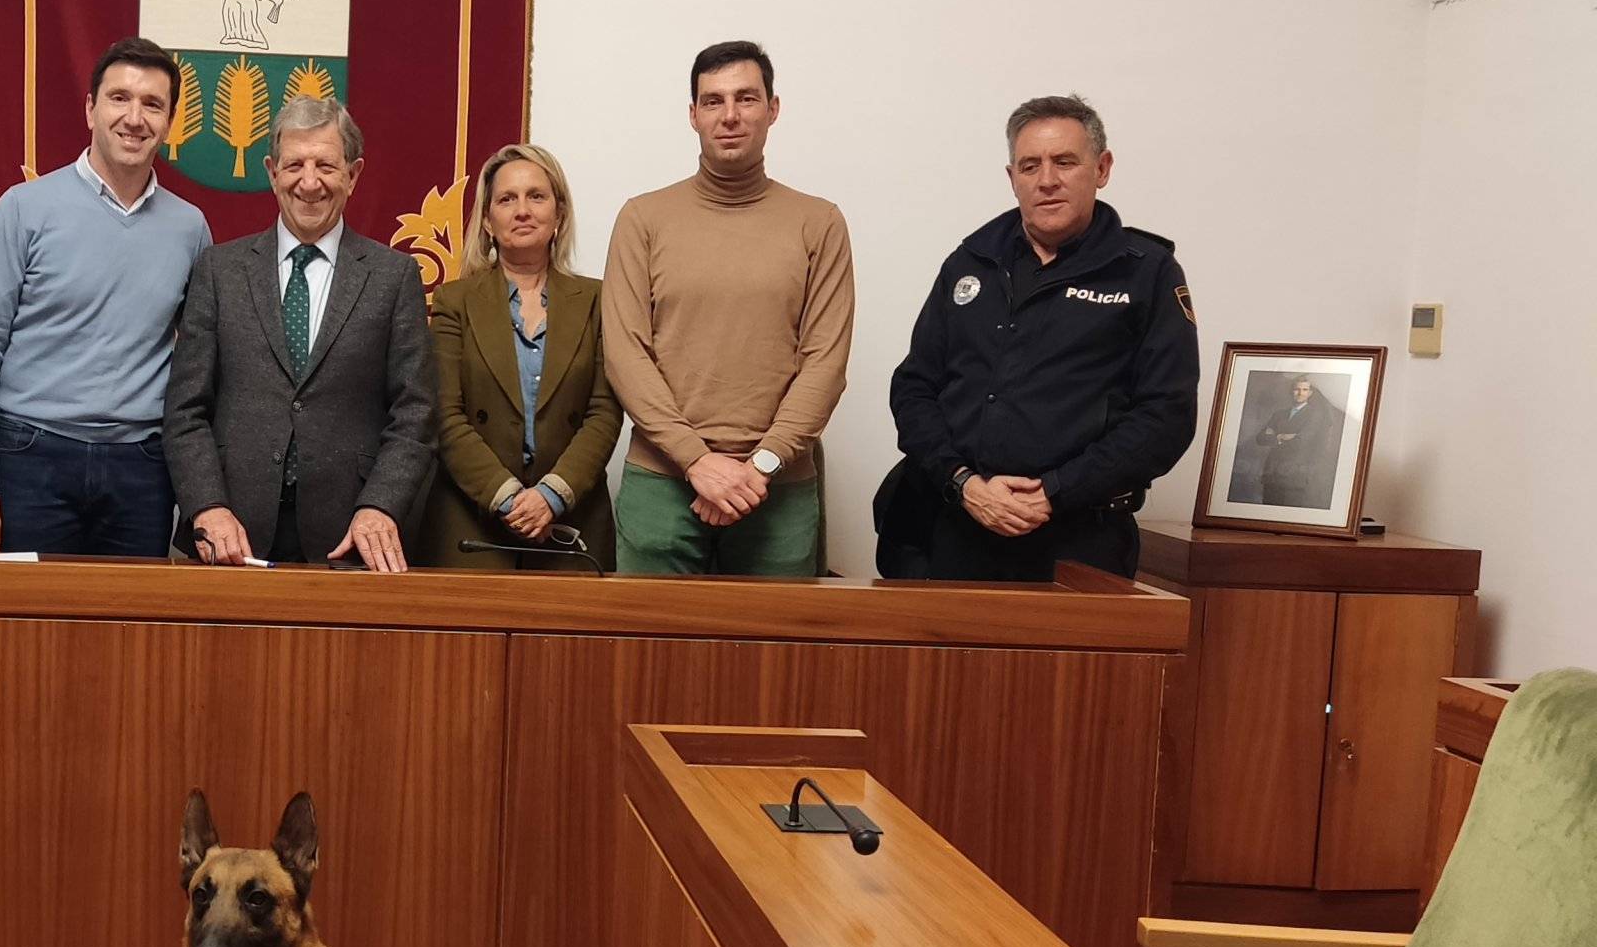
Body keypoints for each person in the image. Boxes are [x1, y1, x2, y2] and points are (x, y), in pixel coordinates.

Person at [880, 93, 1197, 580]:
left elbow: (1166, 417)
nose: (1046, 180)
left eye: (1065, 162)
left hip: (1080, 537)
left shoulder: (1145, 272)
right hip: (957, 525)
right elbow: (914, 388)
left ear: (1102, 168)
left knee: (1075, 661)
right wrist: (963, 483)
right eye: (1029, 166)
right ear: (1012, 179)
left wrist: (1055, 490)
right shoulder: (971, 262)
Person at [600, 40, 854, 577]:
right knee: (646, 655)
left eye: (746, 98)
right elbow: (626, 354)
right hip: (661, 480)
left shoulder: (819, 222)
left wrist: (759, 465)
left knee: (773, 659)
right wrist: (695, 459)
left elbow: (825, 362)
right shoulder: (642, 219)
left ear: (773, 109)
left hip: (778, 485)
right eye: (713, 101)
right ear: (693, 115)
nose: (730, 115)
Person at [0, 37, 211, 555]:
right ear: (90, 107)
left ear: (170, 122)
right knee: (24, 630)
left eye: (152, 104)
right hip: (28, 459)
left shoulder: (190, 229)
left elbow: (201, 367)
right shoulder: (23, 209)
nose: (134, 118)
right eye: (119, 98)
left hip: (142, 471)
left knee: (130, 633)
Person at [162, 95, 436, 571]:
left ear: (353, 175)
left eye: (326, 165)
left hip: (349, 537)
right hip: (232, 535)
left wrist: (380, 506)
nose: (309, 183)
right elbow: (186, 410)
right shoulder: (219, 271)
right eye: (294, 165)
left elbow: (415, 413)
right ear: (271, 171)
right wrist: (207, 505)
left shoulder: (394, 277)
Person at [420, 143, 623, 569]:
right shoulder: (454, 301)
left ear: (559, 214)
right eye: (507, 199)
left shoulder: (599, 299)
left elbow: (604, 412)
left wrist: (551, 496)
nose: (522, 210)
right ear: (489, 221)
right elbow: (445, 414)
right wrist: (509, 498)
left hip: (573, 519)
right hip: (471, 522)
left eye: (536, 196)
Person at [1250, 374, 1346, 508]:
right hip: (1272, 475)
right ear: (1291, 391)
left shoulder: (1315, 416)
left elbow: (1300, 442)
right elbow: (1260, 438)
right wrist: (1280, 437)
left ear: (1310, 393)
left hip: (1294, 476)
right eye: (1297, 389)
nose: (1300, 393)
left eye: (1304, 390)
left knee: (1286, 517)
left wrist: (1274, 435)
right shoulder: (1279, 414)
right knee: (1267, 516)